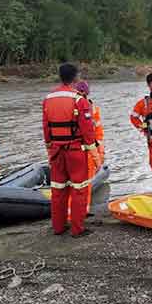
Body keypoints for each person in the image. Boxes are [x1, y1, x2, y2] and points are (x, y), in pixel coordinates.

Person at [42, 64, 102, 237]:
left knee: (58, 190)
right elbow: (87, 132)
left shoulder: (48, 99)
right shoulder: (79, 100)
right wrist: (96, 156)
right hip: (75, 152)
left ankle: (58, 227)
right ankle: (77, 229)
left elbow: (46, 129)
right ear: (75, 77)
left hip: (56, 152)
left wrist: (49, 150)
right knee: (79, 189)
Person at [70, 80, 105, 216]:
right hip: (86, 150)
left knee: (82, 184)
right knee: (81, 184)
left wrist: (99, 153)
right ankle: (80, 212)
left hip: (82, 150)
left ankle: (82, 211)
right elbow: (98, 134)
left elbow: (98, 133)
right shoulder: (91, 108)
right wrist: (99, 154)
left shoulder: (73, 107)